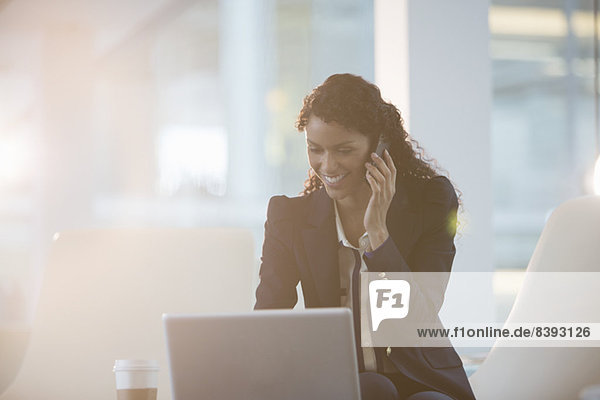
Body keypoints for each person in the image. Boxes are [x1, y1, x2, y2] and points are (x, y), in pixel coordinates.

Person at [254, 73, 475, 400]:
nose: (327, 165)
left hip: (422, 375)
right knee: (374, 388)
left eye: (343, 150)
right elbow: (267, 320)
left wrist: (379, 235)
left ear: (379, 146)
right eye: (315, 149)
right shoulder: (290, 218)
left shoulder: (431, 202)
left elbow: (419, 317)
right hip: (341, 380)